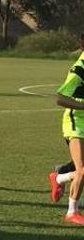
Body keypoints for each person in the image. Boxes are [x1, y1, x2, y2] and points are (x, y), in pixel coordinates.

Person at [53, 54, 84, 224]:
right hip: (76, 123)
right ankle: (72, 212)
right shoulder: (79, 70)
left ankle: (59, 177)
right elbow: (60, 98)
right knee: (82, 169)